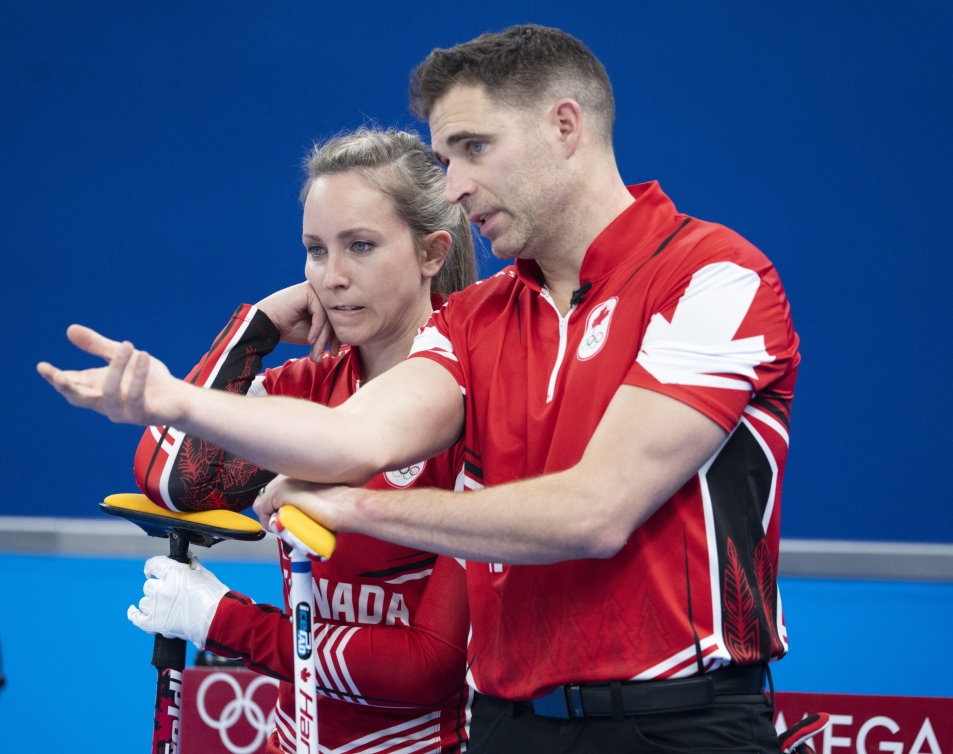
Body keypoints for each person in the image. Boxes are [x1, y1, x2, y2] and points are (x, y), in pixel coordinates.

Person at [39, 25, 799, 753]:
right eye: (445, 158)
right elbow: (351, 437)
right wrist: (171, 399)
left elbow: (596, 512)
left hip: (675, 719)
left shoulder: (712, 276)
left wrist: (351, 510)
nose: (457, 186)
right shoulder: (476, 319)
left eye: (473, 149)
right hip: (508, 726)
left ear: (565, 127)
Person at [126, 128, 477, 754]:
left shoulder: (480, 392)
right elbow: (175, 480)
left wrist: (223, 621)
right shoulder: (309, 385)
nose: (333, 277)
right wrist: (253, 328)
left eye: (361, 246)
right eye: (316, 250)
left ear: (432, 252)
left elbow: (427, 668)